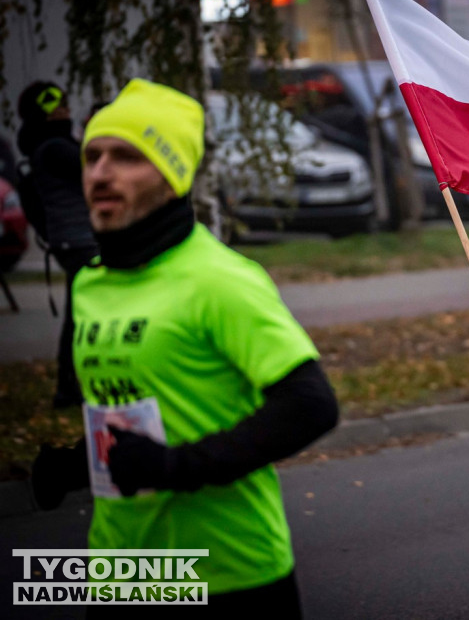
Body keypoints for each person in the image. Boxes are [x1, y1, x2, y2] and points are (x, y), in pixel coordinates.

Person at [29, 78, 339, 616]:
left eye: (126, 157)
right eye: (92, 156)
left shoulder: (219, 279)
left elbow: (310, 405)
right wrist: (79, 464)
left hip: (230, 570)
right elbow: (140, 412)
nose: (101, 173)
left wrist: (174, 467)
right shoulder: (91, 283)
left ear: (172, 177)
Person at [16, 80, 99, 407]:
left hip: (73, 240)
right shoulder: (54, 148)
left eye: (64, 102)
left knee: (79, 312)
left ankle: (70, 386)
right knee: (82, 314)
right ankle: (69, 388)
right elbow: (94, 168)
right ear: (43, 112)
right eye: (56, 104)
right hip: (79, 240)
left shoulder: (52, 145)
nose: (64, 108)